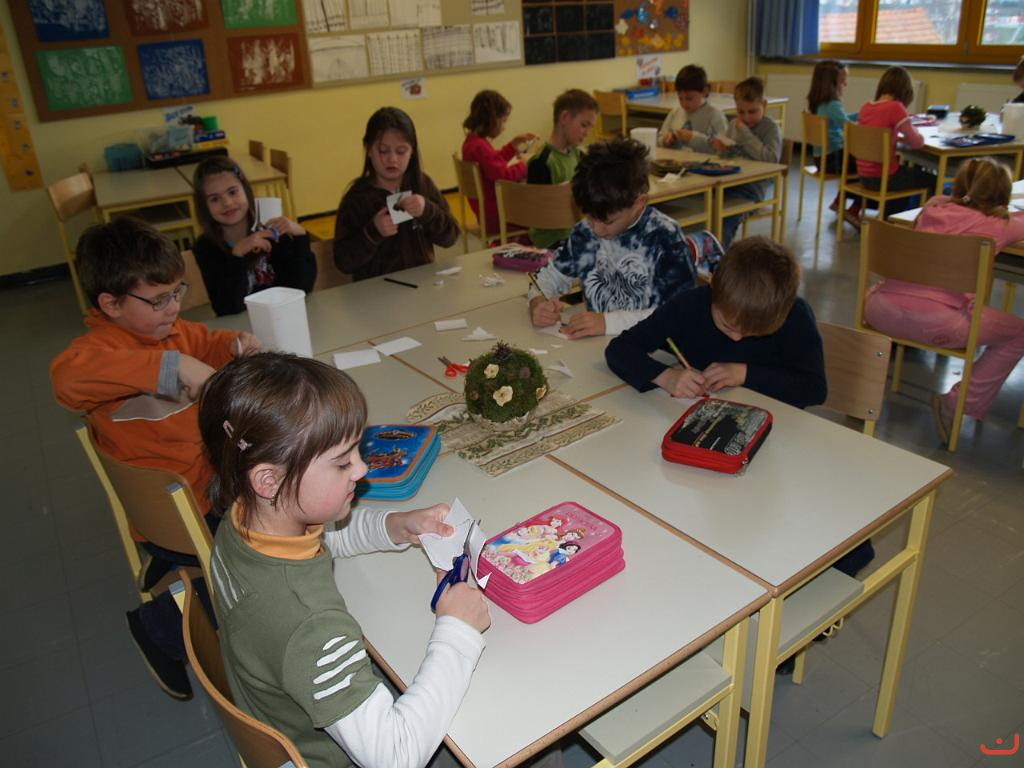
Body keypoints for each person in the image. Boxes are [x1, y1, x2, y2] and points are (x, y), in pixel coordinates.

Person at [199, 352, 489, 768]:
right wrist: (458, 629)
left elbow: (324, 537)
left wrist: (395, 525)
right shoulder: (311, 629)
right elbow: (396, 757)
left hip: (287, 717)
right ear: (269, 480)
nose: (362, 469)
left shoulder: (242, 522)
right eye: (342, 462)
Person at [50, 217, 261, 700]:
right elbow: (66, 380)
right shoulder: (98, 351)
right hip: (176, 513)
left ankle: (171, 563)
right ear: (111, 304)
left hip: (204, 489)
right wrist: (170, 366)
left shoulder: (171, 328)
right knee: (257, 566)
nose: (175, 307)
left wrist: (232, 344)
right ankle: (158, 627)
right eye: (160, 299)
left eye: (177, 292)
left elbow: (203, 341)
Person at [863, 158, 1024, 442]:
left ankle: (858, 390)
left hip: (878, 309)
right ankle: (957, 403)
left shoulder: (932, 207)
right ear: (1002, 196)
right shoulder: (1001, 224)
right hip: (936, 323)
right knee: (1019, 334)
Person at [528, 137, 723, 339]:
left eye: (608, 221)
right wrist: (538, 302)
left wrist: (608, 323)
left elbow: (678, 314)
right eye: (589, 217)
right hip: (600, 345)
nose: (597, 230)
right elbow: (545, 278)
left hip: (653, 346)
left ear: (639, 203)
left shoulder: (664, 238)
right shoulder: (585, 233)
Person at [335, 107, 459, 280]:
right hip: (376, 290)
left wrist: (428, 211)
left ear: (412, 152)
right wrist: (373, 232)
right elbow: (343, 262)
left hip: (422, 284)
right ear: (368, 149)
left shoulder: (422, 184)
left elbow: (451, 236)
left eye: (401, 151)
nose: (392, 159)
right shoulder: (358, 198)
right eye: (383, 151)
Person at [192, 156, 316, 316]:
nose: (227, 202)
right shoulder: (205, 248)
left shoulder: (269, 228)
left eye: (232, 192)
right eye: (215, 199)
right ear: (204, 205)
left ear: (245, 190)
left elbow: (301, 288)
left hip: (282, 319)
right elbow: (227, 308)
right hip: (240, 327)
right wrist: (237, 255)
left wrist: (300, 237)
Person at [852, 65, 934, 223]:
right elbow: (917, 143)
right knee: (931, 180)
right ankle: (922, 225)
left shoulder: (866, 107)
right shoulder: (896, 108)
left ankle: (889, 220)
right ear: (905, 90)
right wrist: (914, 129)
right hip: (884, 177)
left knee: (906, 173)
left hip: (864, 175)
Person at [710, 77, 783, 247]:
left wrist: (745, 134)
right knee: (702, 208)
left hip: (751, 190)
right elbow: (729, 157)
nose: (747, 118)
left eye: (752, 111)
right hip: (727, 184)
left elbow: (771, 159)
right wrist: (722, 149)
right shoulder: (734, 125)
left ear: (764, 105)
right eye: (741, 112)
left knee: (725, 217)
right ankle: (704, 254)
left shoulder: (770, 128)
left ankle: (719, 257)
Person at [461, 90, 539, 239]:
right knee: (540, 215)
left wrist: (513, 145)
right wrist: (525, 165)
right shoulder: (480, 147)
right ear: (491, 119)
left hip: (487, 213)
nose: (504, 127)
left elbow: (492, 161)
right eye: (503, 121)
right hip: (498, 216)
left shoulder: (472, 142)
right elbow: (503, 176)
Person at [526, 88, 599, 248]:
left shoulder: (578, 155)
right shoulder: (541, 162)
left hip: (575, 234)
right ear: (565, 117)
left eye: (591, 128)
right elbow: (539, 214)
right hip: (551, 243)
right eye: (584, 125)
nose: (587, 132)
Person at [806, 59, 860, 218]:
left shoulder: (820, 103)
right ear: (831, 84)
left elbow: (843, 119)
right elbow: (849, 127)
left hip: (821, 159)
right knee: (868, 164)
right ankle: (855, 207)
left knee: (857, 162)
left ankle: (839, 200)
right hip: (832, 160)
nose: (846, 85)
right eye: (843, 82)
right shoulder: (833, 105)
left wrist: (860, 115)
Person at [657, 64, 728, 153]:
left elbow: (724, 148)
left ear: (704, 91)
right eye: (680, 98)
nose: (684, 103)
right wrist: (665, 140)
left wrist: (694, 139)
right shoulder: (675, 112)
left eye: (689, 98)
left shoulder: (715, 116)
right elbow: (659, 139)